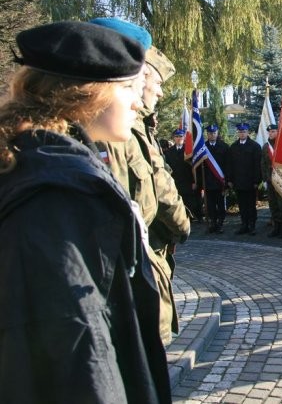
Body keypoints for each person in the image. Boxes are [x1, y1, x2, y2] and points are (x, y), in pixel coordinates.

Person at [0, 21, 170, 403]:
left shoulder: (41, 162)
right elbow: (81, 346)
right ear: (89, 95)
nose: (137, 102)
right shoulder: (60, 197)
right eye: (128, 87)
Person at [91, 17, 189, 346]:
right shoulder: (111, 136)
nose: (152, 93)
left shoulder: (132, 129)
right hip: (123, 282)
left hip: (142, 267)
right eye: (132, 85)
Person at [226, 122, 262, 235]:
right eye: (240, 132)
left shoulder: (255, 146)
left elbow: (258, 165)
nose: (242, 134)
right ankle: (244, 224)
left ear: (248, 132)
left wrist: (257, 181)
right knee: (242, 205)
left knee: (251, 205)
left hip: (250, 182)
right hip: (238, 181)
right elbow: (230, 165)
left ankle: (252, 225)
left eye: (244, 131)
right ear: (238, 133)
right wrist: (230, 180)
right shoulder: (233, 147)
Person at [166, 128, 203, 222]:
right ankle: (182, 219)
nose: (179, 138)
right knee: (178, 201)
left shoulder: (190, 151)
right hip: (175, 181)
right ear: (174, 138)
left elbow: (195, 168)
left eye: (181, 136)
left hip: (188, 180)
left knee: (190, 201)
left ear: (184, 137)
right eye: (177, 136)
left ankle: (192, 218)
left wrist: (195, 181)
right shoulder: (169, 152)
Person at [261, 124, 282, 237]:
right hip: (270, 180)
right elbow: (263, 164)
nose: (271, 133)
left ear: (278, 132)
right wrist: (265, 179)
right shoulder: (265, 147)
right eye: (269, 132)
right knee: (273, 205)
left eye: (273, 131)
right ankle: (276, 227)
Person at [199, 124, 228, 233]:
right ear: (207, 134)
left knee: (220, 205)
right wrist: (200, 182)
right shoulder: (203, 148)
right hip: (208, 182)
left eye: (214, 133)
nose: (212, 135)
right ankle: (213, 223)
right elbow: (199, 167)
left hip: (220, 182)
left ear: (217, 133)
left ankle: (220, 224)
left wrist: (227, 181)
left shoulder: (224, 147)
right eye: (210, 133)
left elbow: (228, 165)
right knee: (210, 205)